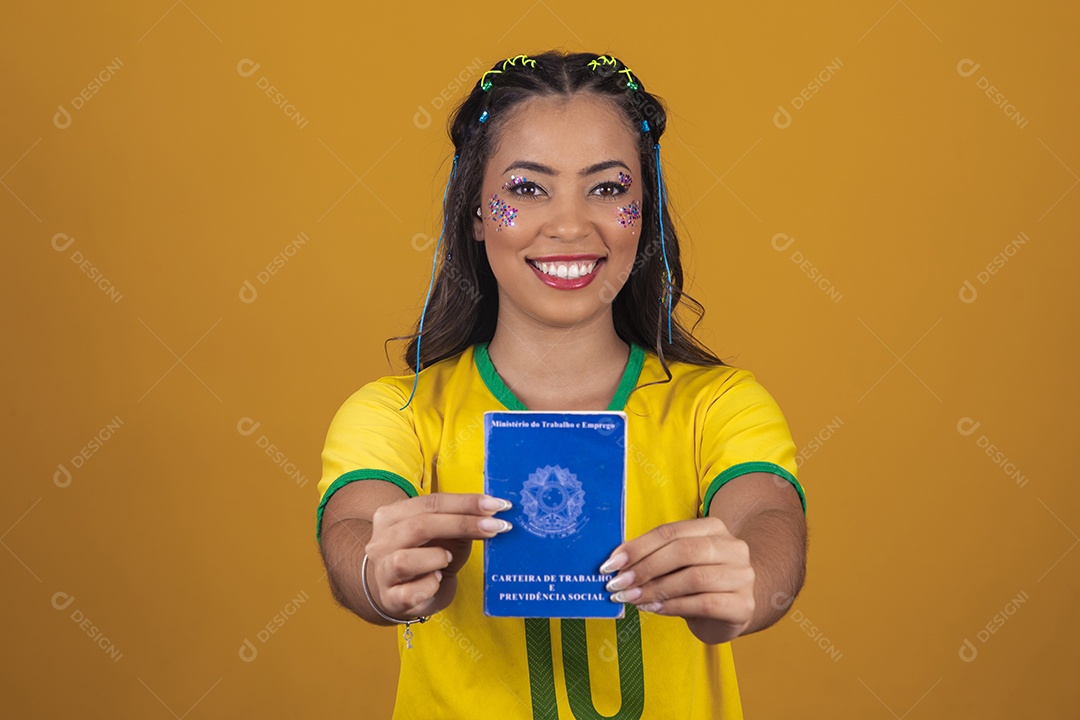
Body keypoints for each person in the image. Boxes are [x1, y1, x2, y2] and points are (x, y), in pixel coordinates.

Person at [315, 50, 807, 719]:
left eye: (607, 189)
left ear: (647, 209)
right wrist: (378, 573)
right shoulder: (396, 413)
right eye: (526, 188)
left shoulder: (717, 404)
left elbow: (768, 516)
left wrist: (750, 578)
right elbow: (353, 525)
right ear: (477, 213)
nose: (571, 225)